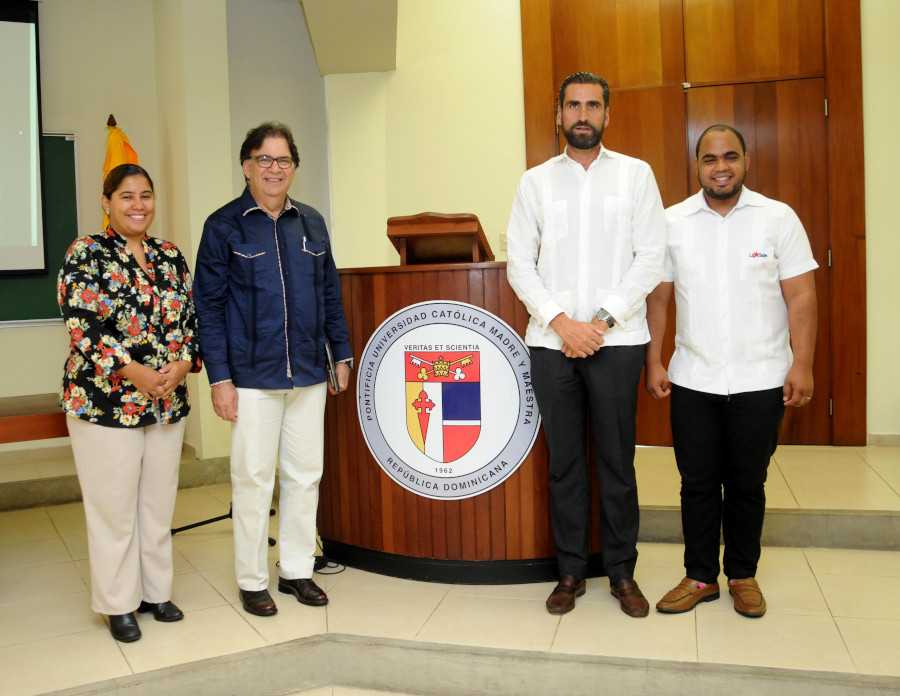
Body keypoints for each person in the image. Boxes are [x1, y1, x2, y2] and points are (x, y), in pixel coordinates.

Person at [506, 72, 666, 617]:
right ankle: (570, 571)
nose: (582, 114)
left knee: (618, 462)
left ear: (606, 114)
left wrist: (598, 321)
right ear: (558, 114)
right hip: (552, 344)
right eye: (572, 105)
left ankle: (622, 573)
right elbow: (519, 263)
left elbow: (651, 257)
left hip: (617, 341)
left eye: (592, 105)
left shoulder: (637, 176)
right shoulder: (534, 183)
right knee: (565, 464)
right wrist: (562, 323)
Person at [645, 124, 818, 618]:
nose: (720, 167)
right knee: (696, 483)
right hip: (693, 378)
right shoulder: (672, 221)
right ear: (696, 165)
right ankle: (700, 576)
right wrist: (653, 359)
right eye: (709, 158)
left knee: (748, 484)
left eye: (730, 157)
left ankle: (742, 574)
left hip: (761, 379)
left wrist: (801, 364)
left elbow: (802, 296)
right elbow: (658, 297)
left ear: (746, 161)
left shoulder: (777, 218)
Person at [193, 121, 352, 617]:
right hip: (251, 378)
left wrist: (340, 353)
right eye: (264, 160)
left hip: (307, 371)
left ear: (294, 168)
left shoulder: (312, 223)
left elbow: (329, 294)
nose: (274, 169)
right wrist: (219, 378)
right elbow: (209, 307)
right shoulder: (224, 226)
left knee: (305, 477)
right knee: (254, 479)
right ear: (246, 166)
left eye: (283, 161)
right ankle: (252, 579)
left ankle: (297, 571)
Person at [58, 163, 202, 642]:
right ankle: (118, 603)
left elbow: (191, 321)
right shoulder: (87, 252)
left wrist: (182, 365)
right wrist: (134, 373)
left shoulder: (169, 255)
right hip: (105, 402)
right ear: (107, 203)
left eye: (145, 195)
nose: (138, 204)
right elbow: (83, 327)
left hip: (166, 402)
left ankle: (156, 593)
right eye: (126, 196)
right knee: (114, 510)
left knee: (157, 507)